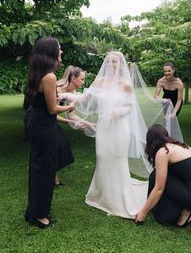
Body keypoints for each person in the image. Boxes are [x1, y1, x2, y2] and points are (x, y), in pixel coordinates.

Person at [64, 51, 151, 218]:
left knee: (117, 158)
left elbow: (130, 107)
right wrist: (64, 95)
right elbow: (84, 99)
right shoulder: (99, 81)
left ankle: (118, 197)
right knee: (102, 156)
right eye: (109, 62)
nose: (112, 65)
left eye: (115, 62)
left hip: (119, 127)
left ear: (121, 65)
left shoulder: (125, 84)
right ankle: (102, 194)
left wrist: (119, 111)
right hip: (104, 126)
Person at [24, 37, 75, 229]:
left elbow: (44, 103)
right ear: (51, 53)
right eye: (59, 50)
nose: (61, 52)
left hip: (38, 124)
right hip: (44, 128)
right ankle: (39, 216)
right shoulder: (50, 77)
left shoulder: (39, 73)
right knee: (45, 170)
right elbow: (53, 109)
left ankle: (33, 211)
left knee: (39, 167)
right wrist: (70, 105)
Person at [134, 124, 191, 227]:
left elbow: (159, 188)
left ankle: (181, 211)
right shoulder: (181, 145)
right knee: (161, 175)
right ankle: (187, 210)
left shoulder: (163, 152)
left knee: (156, 175)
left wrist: (143, 212)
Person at [54, 66, 86, 186]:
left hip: (50, 119)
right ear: (73, 78)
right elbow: (53, 114)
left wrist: (90, 124)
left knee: (61, 145)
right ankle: (53, 178)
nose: (83, 82)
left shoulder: (71, 93)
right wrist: (71, 123)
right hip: (42, 119)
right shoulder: (58, 90)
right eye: (82, 79)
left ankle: (54, 177)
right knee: (59, 144)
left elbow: (72, 116)